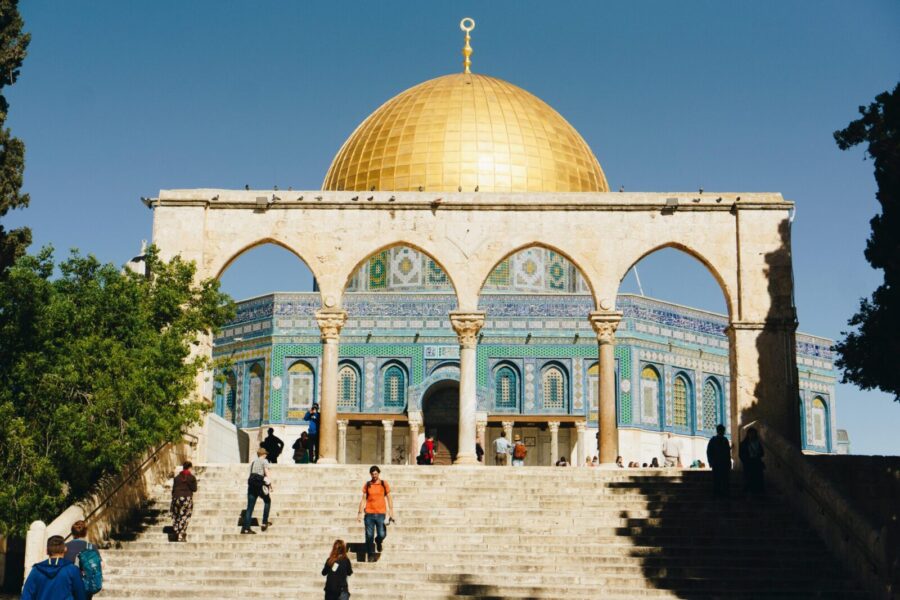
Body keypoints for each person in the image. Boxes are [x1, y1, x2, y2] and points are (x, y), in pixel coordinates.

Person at [22, 535, 86, 600]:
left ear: (47, 551)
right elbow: (81, 596)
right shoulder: (72, 570)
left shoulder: (36, 570)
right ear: (65, 549)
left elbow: (26, 596)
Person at [357, 465, 394, 562]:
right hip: (369, 514)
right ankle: (370, 555)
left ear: (378, 473)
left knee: (382, 534)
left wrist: (391, 511)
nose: (374, 476)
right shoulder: (368, 484)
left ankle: (378, 540)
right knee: (369, 535)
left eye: (376, 474)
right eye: (373, 474)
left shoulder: (383, 483)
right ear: (370, 474)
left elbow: (389, 497)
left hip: (381, 513)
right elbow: (363, 499)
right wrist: (359, 513)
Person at [64, 521, 102, 599]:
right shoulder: (91, 547)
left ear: (72, 533)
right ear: (85, 532)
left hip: (69, 586)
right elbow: (100, 565)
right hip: (86, 587)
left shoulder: (65, 547)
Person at [242, 447, 272, 534]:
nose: (266, 454)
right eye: (265, 453)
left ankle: (246, 528)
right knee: (267, 501)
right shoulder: (264, 461)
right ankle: (264, 522)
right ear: (263, 454)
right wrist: (270, 484)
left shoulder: (253, 462)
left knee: (250, 507)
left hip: (252, 485)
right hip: (259, 485)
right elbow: (267, 473)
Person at [171, 460, 198, 542]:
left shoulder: (176, 478)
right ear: (190, 468)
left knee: (176, 515)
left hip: (176, 498)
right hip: (186, 498)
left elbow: (173, 490)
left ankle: (177, 531)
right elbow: (194, 489)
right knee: (185, 516)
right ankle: (181, 534)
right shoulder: (192, 477)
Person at [706, 423, 732, 497]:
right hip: (717, 463)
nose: (722, 432)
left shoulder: (725, 440)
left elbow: (727, 452)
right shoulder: (713, 440)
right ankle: (717, 494)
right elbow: (709, 452)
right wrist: (711, 462)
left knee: (724, 479)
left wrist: (729, 462)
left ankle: (724, 494)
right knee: (717, 479)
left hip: (723, 463)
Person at [739, 427, 766, 494]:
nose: (752, 435)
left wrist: (757, 455)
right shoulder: (744, 444)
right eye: (751, 434)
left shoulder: (758, 443)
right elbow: (741, 454)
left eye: (753, 434)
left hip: (756, 463)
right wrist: (746, 461)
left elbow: (762, 453)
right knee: (748, 480)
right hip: (748, 464)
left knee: (758, 480)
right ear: (748, 434)